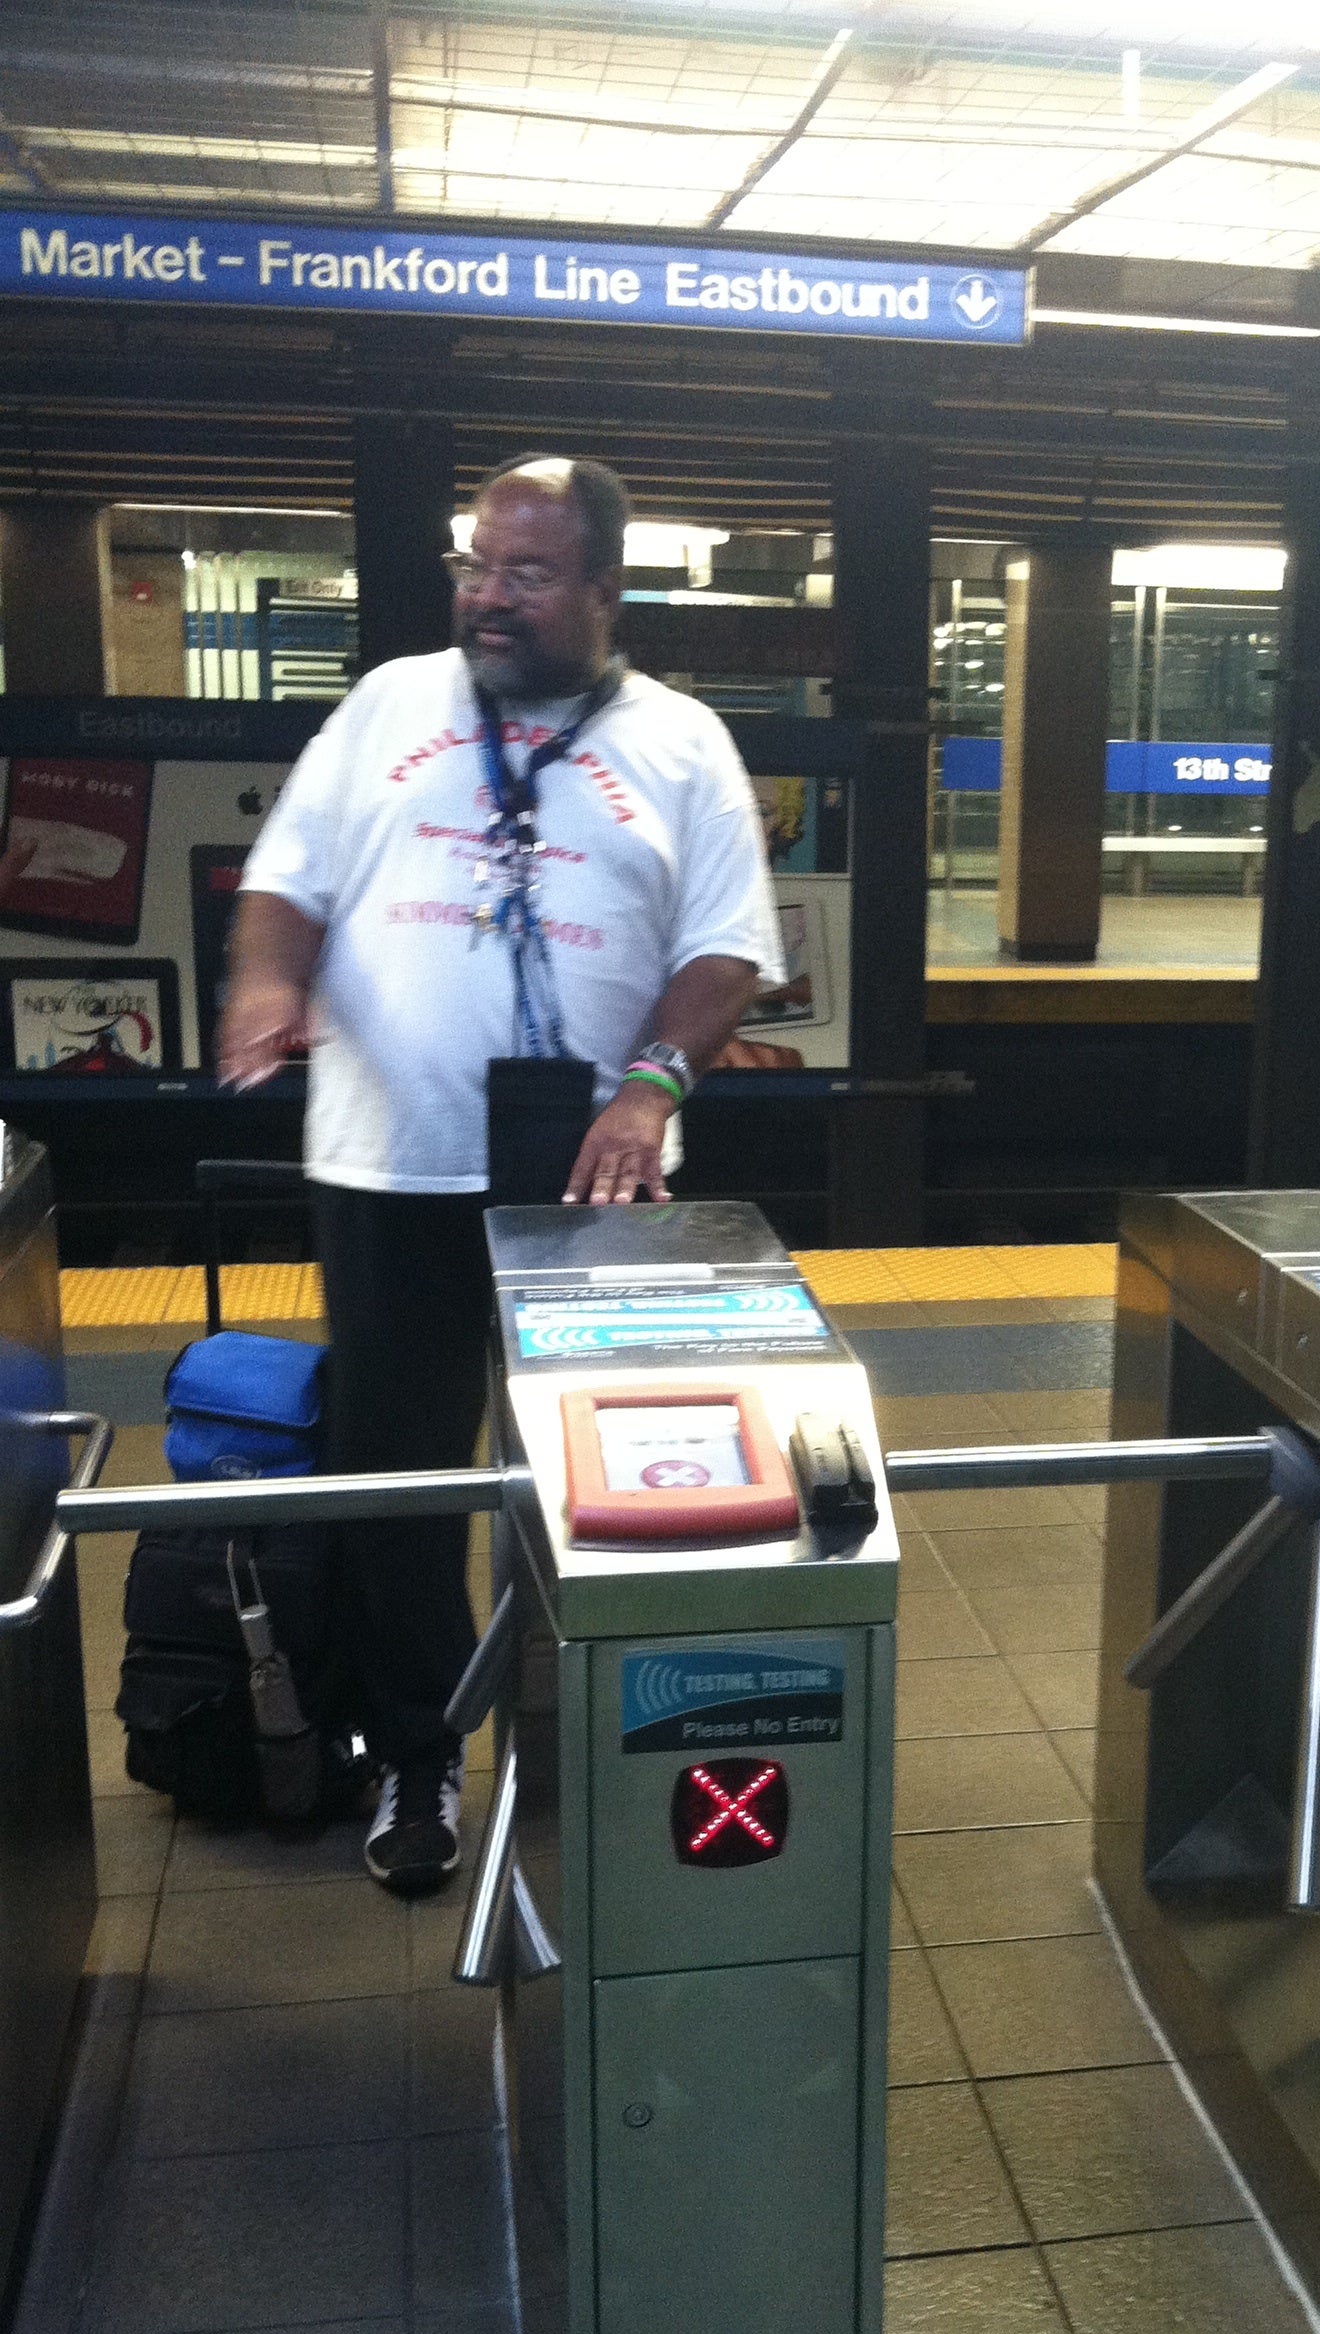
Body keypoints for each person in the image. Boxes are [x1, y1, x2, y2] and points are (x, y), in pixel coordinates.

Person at [218, 453, 783, 1893]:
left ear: (604, 589)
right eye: (477, 566)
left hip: (589, 1179)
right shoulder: (391, 704)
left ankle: (606, 1735)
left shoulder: (683, 742)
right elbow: (285, 880)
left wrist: (652, 1088)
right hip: (390, 1161)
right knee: (396, 1478)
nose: (489, 596)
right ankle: (419, 1754)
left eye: (527, 574)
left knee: (609, 1472)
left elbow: (725, 948)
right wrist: (266, 984)